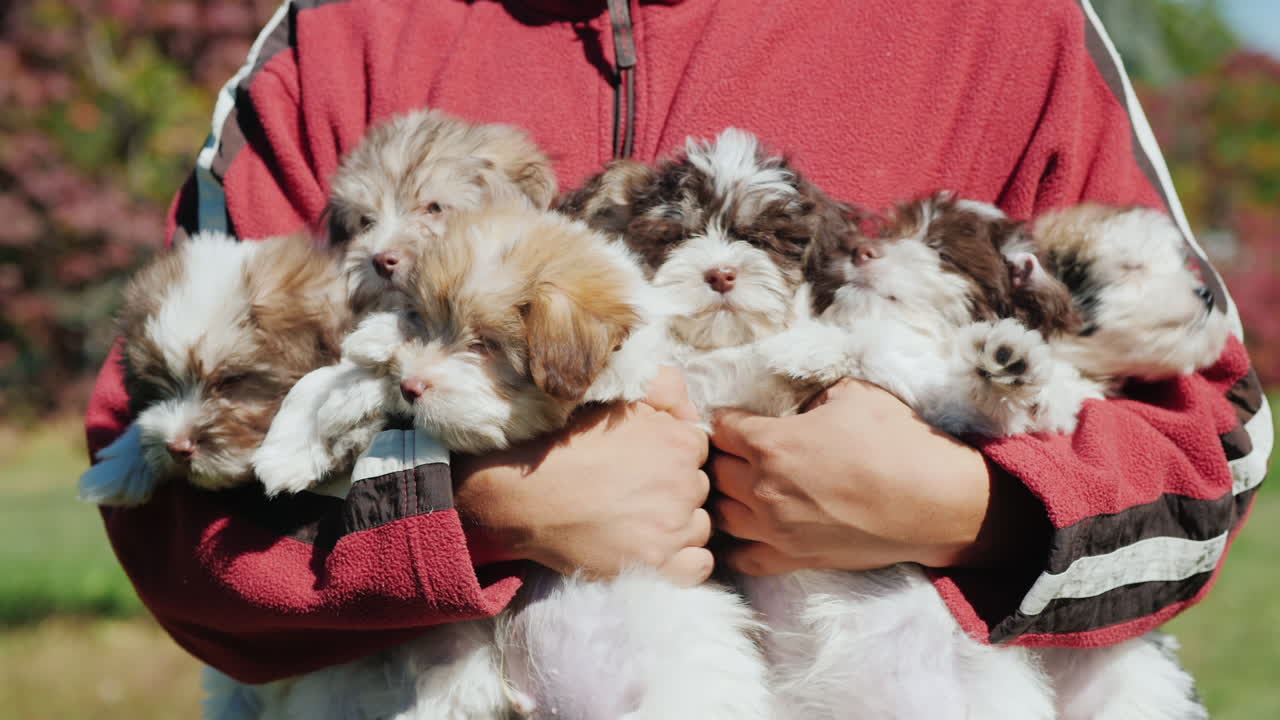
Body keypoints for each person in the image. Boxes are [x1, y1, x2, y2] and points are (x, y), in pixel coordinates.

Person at [85, 0, 1268, 685]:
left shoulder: (1001, 26)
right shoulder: (350, 33)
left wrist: (978, 505)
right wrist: (473, 512)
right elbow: (154, 474)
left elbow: (1210, 451)